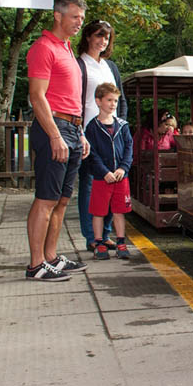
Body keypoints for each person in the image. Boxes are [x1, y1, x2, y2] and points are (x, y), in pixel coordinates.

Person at [24, 0, 90, 281]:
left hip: (72, 128)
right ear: (58, 16)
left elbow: (70, 98)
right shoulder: (43, 47)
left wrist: (81, 133)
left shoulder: (67, 49)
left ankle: (51, 257)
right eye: (75, 17)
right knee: (46, 199)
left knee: (63, 200)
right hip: (54, 128)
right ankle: (35, 264)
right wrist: (54, 136)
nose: (79, 23)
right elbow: (37, 96)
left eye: (82, 18)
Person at [75, 19, 127, 252]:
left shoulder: (111, 67)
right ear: (88, 36)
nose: (102, 41)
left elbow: (121, 99)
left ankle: (105, 234)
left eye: (106, 37)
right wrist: (78, 130)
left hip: (112, 133)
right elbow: (75, 100)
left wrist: (122, 127)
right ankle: (91, 236)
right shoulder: (79, 65)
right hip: (88, 132)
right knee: (90, 185)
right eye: (98, 35)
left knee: (112, 185)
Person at [85, 82, 134, 260]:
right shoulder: (92, 127)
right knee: (99, 211)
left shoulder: (122, 125)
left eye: (115, 101)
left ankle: (121, 242)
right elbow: (92, 153)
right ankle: (99, 243)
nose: (113, 104)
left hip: (121, 177)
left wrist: (123, 167)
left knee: (119, 211)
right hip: (101, 177)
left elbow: (129, 148)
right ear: (98, 101)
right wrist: (104, 171)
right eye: (109, 100)